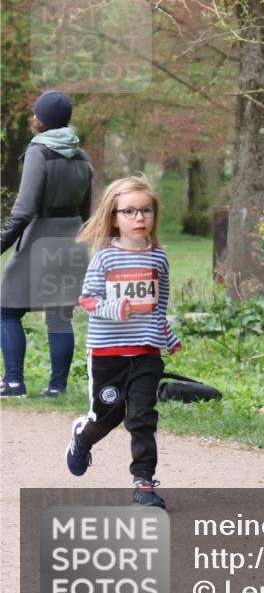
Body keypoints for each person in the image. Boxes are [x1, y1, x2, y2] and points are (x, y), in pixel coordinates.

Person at [66, 175, 181, 509]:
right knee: (107, 417)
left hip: (146, 352)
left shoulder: (158, 258)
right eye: (129, 212)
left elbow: (160, 305)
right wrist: (114, 308)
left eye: (146, 210)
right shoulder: (105, 259)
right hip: (108, 354)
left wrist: (166, 334)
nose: (139, 218)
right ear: (114, 218)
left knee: (142, 417)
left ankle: (143, 484)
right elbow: (87, 301)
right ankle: (82, 437)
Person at [0, 90, 92, 398]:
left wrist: (2, 242)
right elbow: (87, 211)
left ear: (41, 120)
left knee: (6, 310)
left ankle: (13, 383)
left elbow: (24, 210)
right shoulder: (82, 156)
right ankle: (57, 388)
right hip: (72, 239)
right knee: (59, 314)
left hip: (40, 236)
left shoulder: (39, 151)